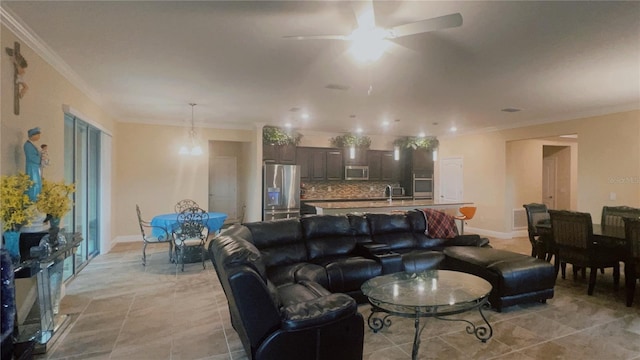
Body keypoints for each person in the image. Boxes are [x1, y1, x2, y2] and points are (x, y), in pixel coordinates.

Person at [24, 127, 42, 202]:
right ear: (33, 135)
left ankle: (36, 199)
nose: (39, 137)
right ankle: (31, 200)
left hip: (35, 167)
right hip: (32, 167)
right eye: (38, 135)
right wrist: (40, 159)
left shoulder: (32, 145)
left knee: (37, 183)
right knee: (33, 183)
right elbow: (31, 157)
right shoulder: (28, 145)